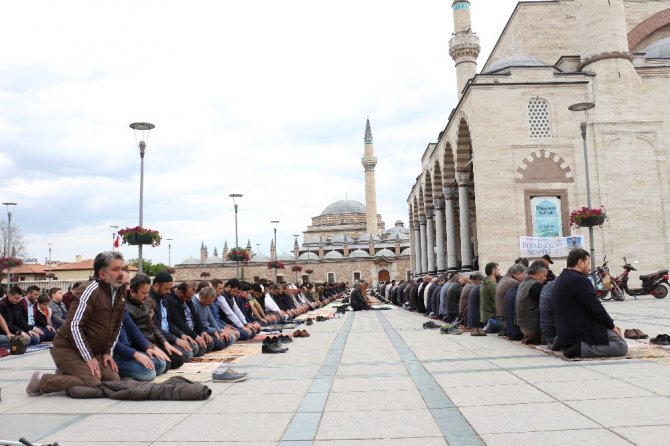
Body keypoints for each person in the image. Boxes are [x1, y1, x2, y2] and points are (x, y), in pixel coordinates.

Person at [26, 252, 128, 396]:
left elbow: (117, 326)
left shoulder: (119, 293)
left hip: (94, 350)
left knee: (113, 380)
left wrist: (108, 352)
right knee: (93, 384)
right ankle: (42, 380)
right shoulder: (90, 290)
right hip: (67, 348)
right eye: (116, 269)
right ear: (103, 273)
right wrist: (88, 358)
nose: (121, 273)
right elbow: (74, 326)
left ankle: (66, 373)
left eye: (122, 269)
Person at [552, 248, 627, 358]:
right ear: (580, 263)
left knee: (609, 333)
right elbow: (596, 308)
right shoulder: (580, 280)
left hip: (564, 331)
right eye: (588, 263)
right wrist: (612, 326)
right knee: (621, 346)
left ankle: (565, 343)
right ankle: (581, 350)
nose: (589, 267)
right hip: (579, 332)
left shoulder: (560, 279)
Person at [126, 273, 186, 370]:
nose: (146, 296)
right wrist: (152, 347)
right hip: (141, 345)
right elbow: (135, 335)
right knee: (162, 365)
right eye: (143, 293)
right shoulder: (126, 308)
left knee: (178, 358)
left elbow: (153, 327)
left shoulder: (146, 303)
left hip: (152, 342)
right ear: (133, 292)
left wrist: (165, 343)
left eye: (147, 293)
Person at [150, 272, 195, 365]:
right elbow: (155, 328)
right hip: (159, 340)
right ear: (157, 285)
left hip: (168, 336)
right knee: (183, 356)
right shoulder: (150, 301)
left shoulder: (164, 299)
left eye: (170, 289)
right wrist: (175, 340)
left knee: (194, 347)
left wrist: (181, 335)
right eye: (166, 288)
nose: (169, 292)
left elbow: (169, 322)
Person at [515, 260, 547, 344]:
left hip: (522, 326)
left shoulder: (523, 282)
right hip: (532, 328)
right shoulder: (535, 286)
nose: (545, 278)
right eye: (544, 275)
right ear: (538, 273)